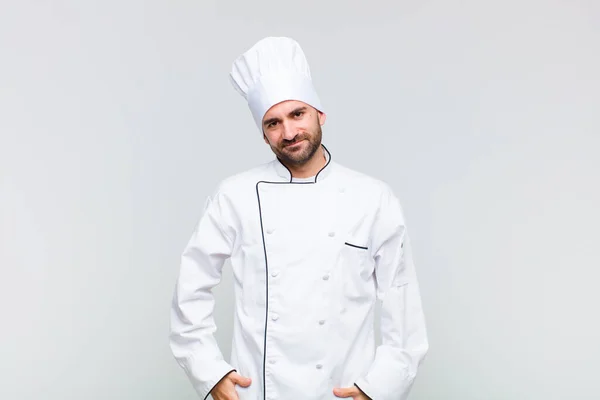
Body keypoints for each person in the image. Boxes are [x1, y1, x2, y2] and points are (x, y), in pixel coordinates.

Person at [169, 36, 429, 400]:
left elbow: (402, 302)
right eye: (273, 123)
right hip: (258, 393)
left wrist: (379, 388)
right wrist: (209, 373)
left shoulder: (373, 197)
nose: (289, 133)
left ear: (320, 114)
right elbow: (190, 287)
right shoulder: (234, 195)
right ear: (263, 135)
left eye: (297, 114)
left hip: (342, 392)